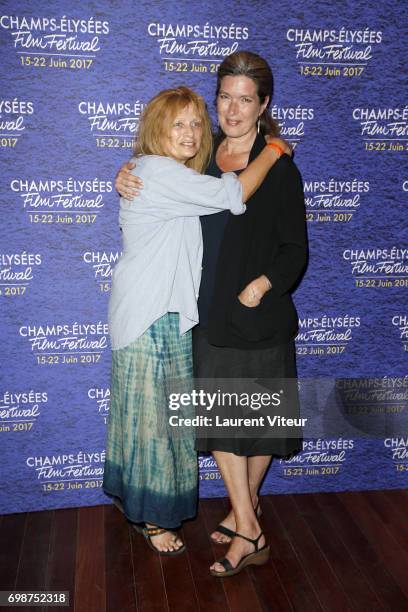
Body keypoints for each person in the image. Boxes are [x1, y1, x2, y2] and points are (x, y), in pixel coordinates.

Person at [104, 84, 288, 557]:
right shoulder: (160, 172)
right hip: (149, 313)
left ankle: (147, 509)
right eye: (177, 123)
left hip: (163, 313)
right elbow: (234, 191)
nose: (189, 132)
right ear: (156, 130)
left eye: (194, 123)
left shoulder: (168, 173)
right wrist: (273, 149)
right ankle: (153, 519)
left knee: (156, 423)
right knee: (153, 426)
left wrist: (124, 170)